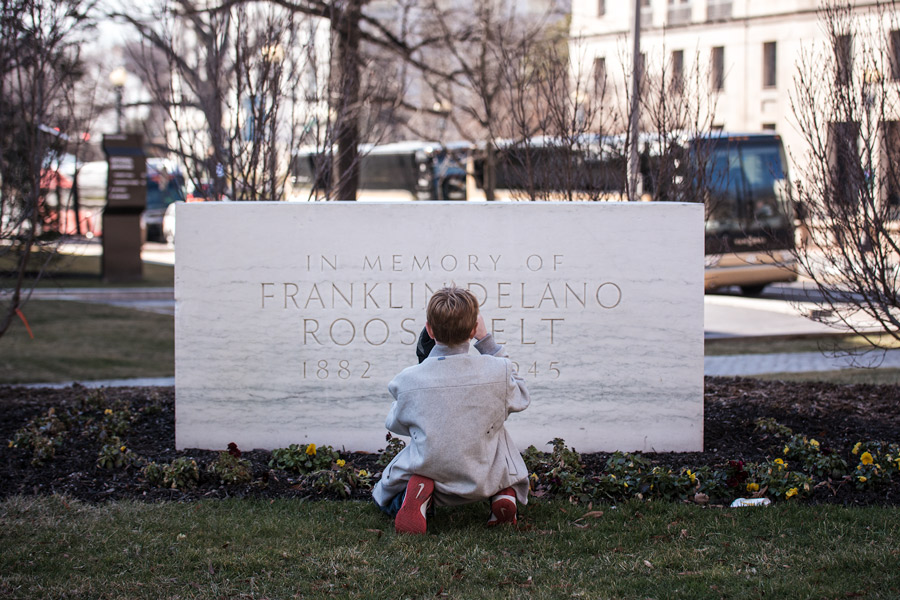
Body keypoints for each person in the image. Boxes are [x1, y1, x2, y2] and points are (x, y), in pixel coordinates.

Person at [372, 286, 531, 534]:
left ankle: (421, 496)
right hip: (484, 474)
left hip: (430, 469)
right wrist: (487, 341)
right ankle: (504, 493)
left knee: (401, 482)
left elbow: (396, 424)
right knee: (496, 428)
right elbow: (521, 396)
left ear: (429, 329)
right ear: (472, 330)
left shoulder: (408, 380)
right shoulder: (499, 371)